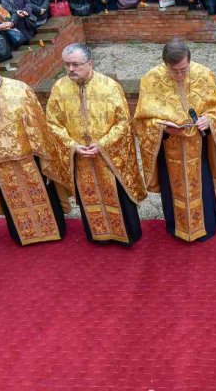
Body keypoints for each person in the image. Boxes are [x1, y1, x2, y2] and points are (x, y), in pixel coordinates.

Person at [0, 50, 68, 245]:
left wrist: (43, 159)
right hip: (0, 166)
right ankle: (23, 235)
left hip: (29, 158)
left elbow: (39, 126)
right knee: (14, 205)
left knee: (43, 197)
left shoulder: (20, 89)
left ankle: (53, 230)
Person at [46, 43, 145, 246]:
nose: (71, 69)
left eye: (75, 64)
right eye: (67, 65)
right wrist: (72, 145)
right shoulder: (59, 88)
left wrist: (103, 145)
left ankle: (125, 235)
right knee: (88, 195)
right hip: (80, 156)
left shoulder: (109, 87)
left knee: (117, 194)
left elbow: (124, 122)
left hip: (107, 157)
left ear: (89, 63)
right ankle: (98, 235)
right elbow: (52, 123)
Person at [133, 40, 216, 243]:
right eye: (174, 70)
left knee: (201, 185)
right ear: (165, 64)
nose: (179, 75)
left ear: (190, 61)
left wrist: (209, 119)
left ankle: (206, 225)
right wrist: (161, 126)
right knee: (173, 188)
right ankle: (177, 227)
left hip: (198, 147)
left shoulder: (203, 74)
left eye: (183, 69)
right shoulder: (151, 79)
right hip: (169, 148)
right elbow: (142, 120)